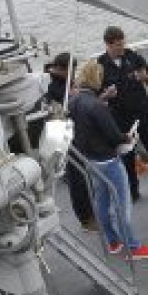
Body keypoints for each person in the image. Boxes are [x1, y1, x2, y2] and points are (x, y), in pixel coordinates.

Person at [68, 59, 148, 261]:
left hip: (91, 160)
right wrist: (128, 137)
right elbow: (113, 136)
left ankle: (113, 242)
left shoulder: (74, 101)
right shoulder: (96, 106)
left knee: (102, 202)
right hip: (108, 161)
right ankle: (132, 247)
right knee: (122, 205)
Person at [98, 26, 148, 203]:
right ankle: (132, 191)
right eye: (118, 45)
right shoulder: (100, 65)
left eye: (123, 43)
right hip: (120, 117)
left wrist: (145, 78)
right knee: (127, 156)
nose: (122, 48)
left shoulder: (133, 57)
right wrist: (106, 95)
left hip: (142, 112)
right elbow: (96, 97)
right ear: (108, 44)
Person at [43, 53, 95, 231]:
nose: (73, 73)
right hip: (68, 139)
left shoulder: (65, 85)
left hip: (77, 134)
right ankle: (86, 219)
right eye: (72, 69)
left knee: (84, 176)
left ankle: (91, 213)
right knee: (78, 179)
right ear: (63, 69)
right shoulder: (56, 89)